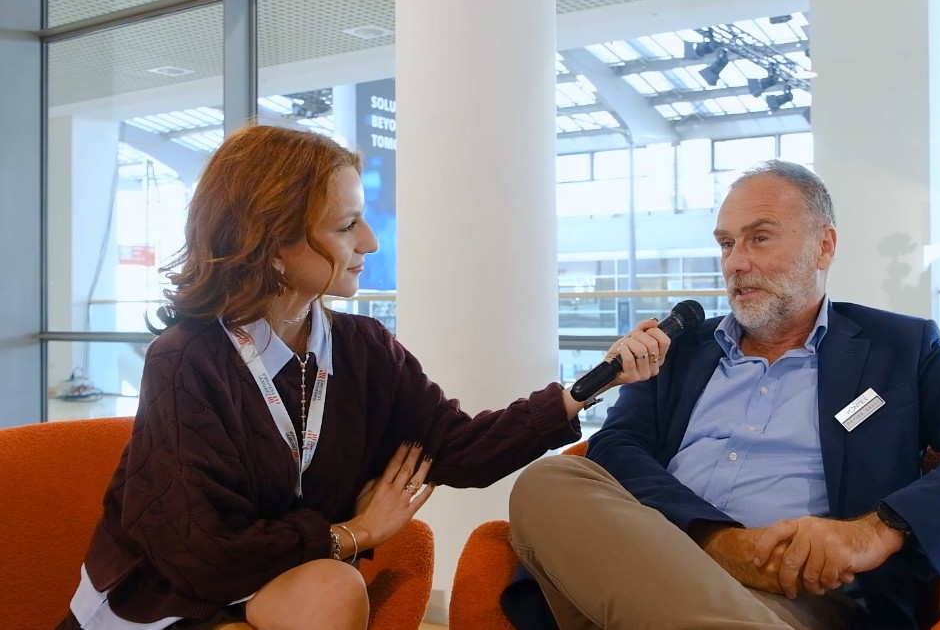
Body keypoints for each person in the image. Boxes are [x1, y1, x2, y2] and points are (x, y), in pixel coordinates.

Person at [58, 124, 671, 630]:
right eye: (347, 225)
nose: (371, 242)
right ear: (272, 243)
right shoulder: (186, 359)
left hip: (283, 581)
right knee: (324, 585)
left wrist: (590, 386)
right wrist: (353, 533)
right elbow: (202, 555)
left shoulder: (362, 348)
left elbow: (458, 449)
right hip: (173, 599)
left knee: (332, 590)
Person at [506, 160, 940, 630]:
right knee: (549, 481)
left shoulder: (898, 350)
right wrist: (718, 543)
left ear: (824, 246)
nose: (735, 262)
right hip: (644, 570)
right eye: (727, 243)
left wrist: (878, 530)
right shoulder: (682, 349)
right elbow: (616, 451)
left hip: (805, 602)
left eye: (760, 237)